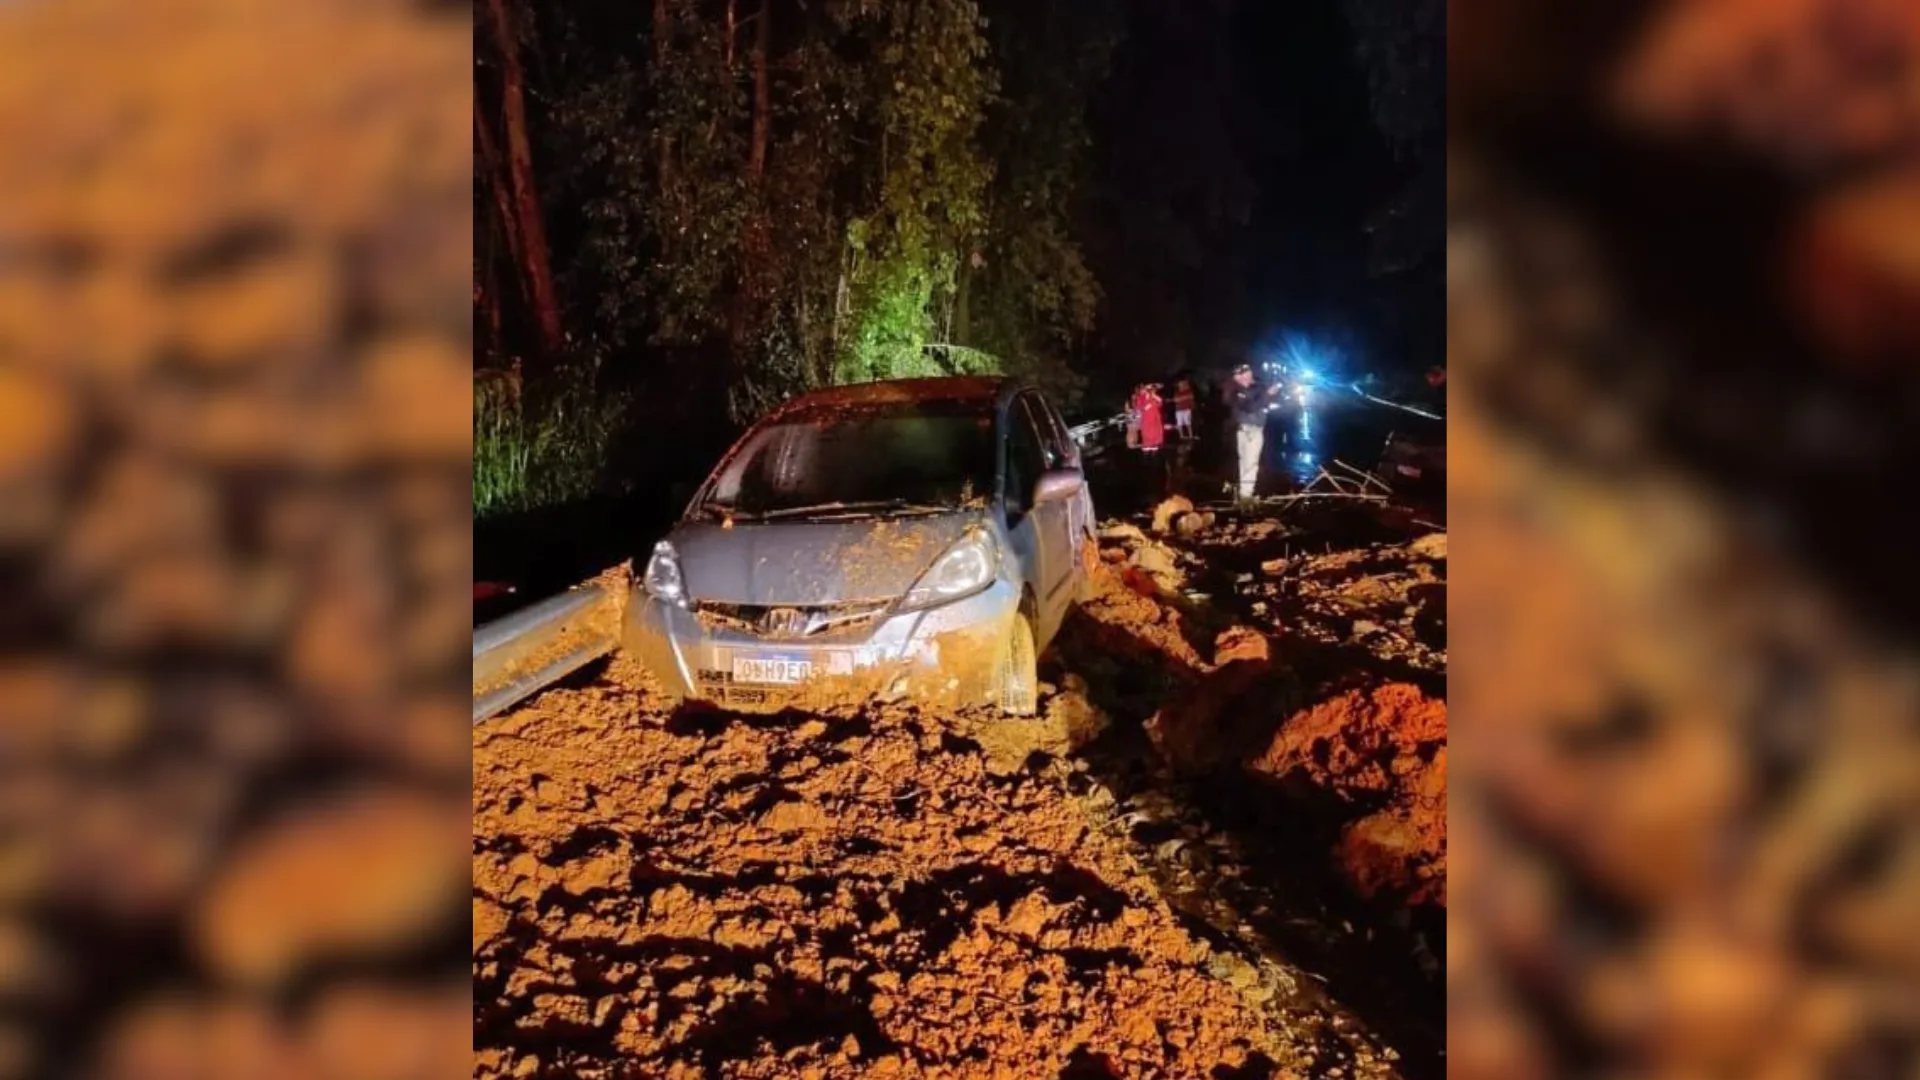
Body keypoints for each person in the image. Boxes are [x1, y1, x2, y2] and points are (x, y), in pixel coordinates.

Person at [1226, 363, 1282, 500]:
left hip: (1255, 430)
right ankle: (1244, 495)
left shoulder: (1260, 387)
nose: (1240, 378)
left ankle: (1245, 494)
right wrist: (1267, 395)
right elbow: (1250, 407)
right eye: (1237, 376)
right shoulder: (1236, 391)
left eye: (1243, 374)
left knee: (1251, 464)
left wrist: (1273, 393)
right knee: (1245, 463)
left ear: (1250, 373)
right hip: (1242, 430)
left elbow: (1271, 402)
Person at [1135, 382, 1165, 452]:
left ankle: (1155, 444)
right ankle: (1147, 444)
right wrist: (1146, 407)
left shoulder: (1154, 395)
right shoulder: (1141, 396)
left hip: (1155, 415)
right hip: (1146, 416)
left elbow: (1160, 403)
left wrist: (1154, 396)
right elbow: (1139, 406)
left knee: (1155, 428)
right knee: (1147, 430)